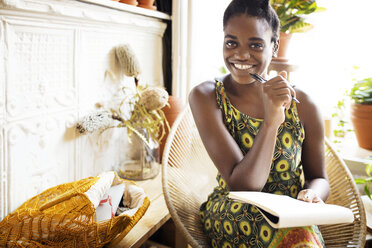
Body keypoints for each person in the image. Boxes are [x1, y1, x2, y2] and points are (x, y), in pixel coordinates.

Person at [188, 0, 330, 247]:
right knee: (298, 238)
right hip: (234, 209)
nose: (241, 55)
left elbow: (319, 177)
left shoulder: (304, 104)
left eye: (255, 45)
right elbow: (244, 185)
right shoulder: (207, 96)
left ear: (274, 47)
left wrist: (312, 194)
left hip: (293, 213)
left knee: (300, 233)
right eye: (231, 42)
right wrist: (272, 121)